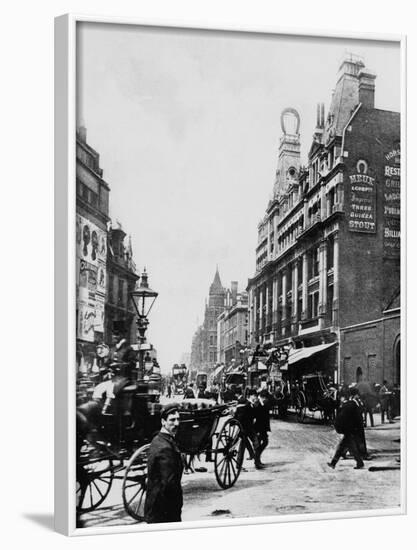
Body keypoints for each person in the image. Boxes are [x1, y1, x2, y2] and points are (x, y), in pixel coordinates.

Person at [144, 405, 183, 523]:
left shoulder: (158, 440)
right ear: (163, 421)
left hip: (156, 507)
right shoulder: (165, 448)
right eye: (172, 420)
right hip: (164, 511)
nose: (176, 423)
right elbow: (170, 484)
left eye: (178, 419)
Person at [327, 386, 365, 470]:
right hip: (351, 429)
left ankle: (359, 462)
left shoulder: (350, 404)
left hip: (349, 429)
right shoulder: (352, 403)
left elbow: (350, 417)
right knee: (344, 446)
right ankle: (334, 463)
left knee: (347, 447)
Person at [235, 388, 263, 469]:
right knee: (242, 447)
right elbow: (239, 417)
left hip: (250, 428)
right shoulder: (245, 404)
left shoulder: (252, 404)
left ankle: (257, 463)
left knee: (256, 444)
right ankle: (239, 465)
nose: (255, 397)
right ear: (250, 396)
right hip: (244, 428)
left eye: (256, 396)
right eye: (254, 396)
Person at [254, 389, 272, 465]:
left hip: (263, 428)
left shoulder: (264, 403)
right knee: (260, 444)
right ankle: (257, 461)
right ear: (263, 397)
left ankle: (257, 458)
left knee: (265, 442)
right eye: (266, 398)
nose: (267, 400)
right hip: (258, 427)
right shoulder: (257, 403)